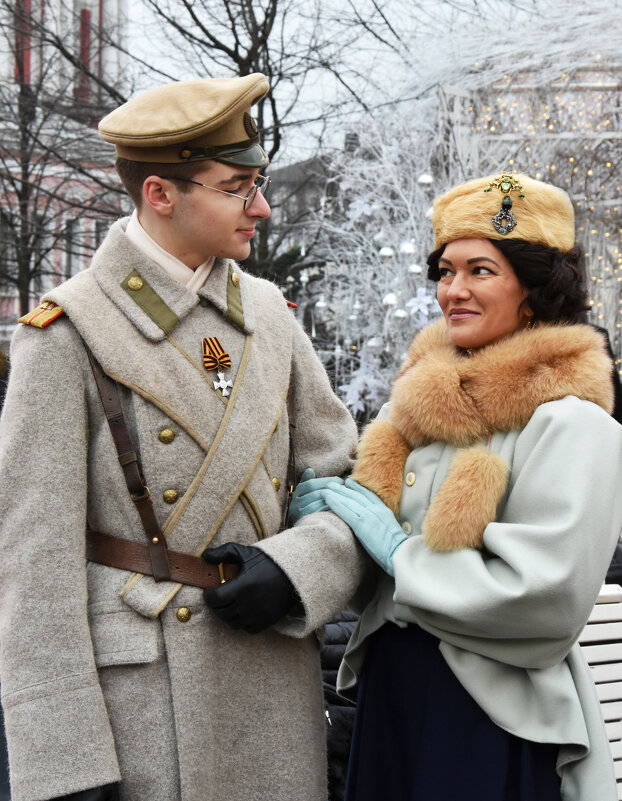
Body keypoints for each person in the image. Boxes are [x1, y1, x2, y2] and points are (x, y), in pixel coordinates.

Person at [0, 74, 365, 801]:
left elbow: (350, 484)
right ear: (161, 194)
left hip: (270, 686)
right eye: (236, 186)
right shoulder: (66, 332)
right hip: (139, 706)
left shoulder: (269, 314)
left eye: (258, 182)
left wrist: (298, 569)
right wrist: (64, 757)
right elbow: (31, 560)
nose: (260, 206)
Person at [292, 172, 622, 801]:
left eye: (480, 271)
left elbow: (546, 598)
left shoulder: (573, 422)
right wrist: (326, 521)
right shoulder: (416, 409)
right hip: (394, 693)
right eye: (445, 271)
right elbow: (368, 553)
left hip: (489, 715)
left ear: (533, 287)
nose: (453, 291)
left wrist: (397, 552)